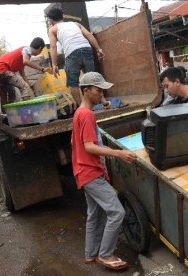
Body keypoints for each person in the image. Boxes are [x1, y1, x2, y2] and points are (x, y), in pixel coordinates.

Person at [72, 72, 137, 270]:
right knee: (116, 212)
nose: (101, 94)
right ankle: (105, 255)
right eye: (98, 90)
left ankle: (90, 254)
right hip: (90, 172)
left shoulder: (79, 112)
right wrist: (117, 153)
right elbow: (89, 146)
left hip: (83, 171)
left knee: (95, 214)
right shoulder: (86, 114)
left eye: (102, 90)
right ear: (86, 91)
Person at [46, 7, 109, 108]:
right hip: (86, 49)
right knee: (92, 78)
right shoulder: (76, 24)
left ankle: (82, 107)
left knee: (73, 83)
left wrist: (54, 64)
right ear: (62, 17)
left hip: (72, 53)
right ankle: (103, 100)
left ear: (51, 20)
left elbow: (53, 47)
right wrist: (99, 49)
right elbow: (88, 35)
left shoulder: (53, 29)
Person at [0, 37, 52, 102]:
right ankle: (27, 110)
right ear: (40, 48)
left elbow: (22, 72)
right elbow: (26, 61)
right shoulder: (27, 49)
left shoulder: (24, 54)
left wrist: (29, 84)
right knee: (24, 87)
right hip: (2, 69)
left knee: (11, 92)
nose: (40, 53)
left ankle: (9, 110)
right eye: (41, 51)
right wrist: (42, 69)